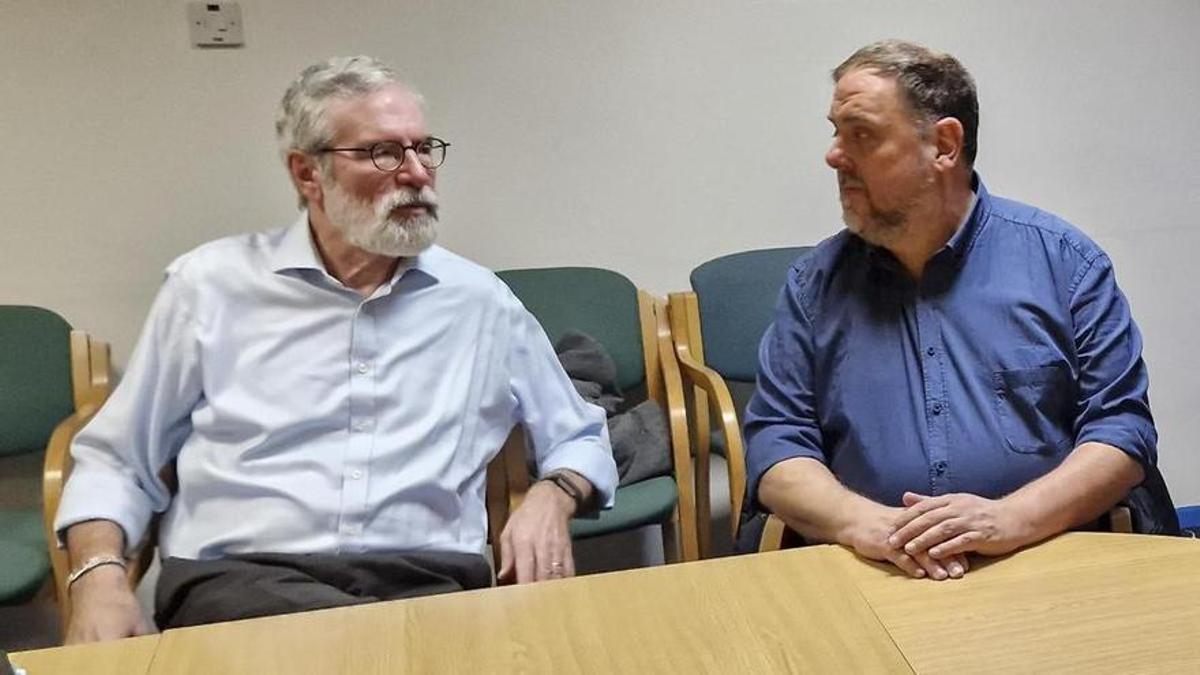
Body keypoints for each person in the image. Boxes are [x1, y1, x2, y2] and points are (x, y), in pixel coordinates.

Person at [54, 55, 618, 642]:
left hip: (428, 585)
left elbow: (578, 435)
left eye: (424, 148)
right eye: (383, 152)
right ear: (307, 173)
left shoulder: (478, 301)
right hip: (244, 587)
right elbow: (119, 460)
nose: (418, 172)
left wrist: (553, 497)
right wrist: (98, 579)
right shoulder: (211, 287)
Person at [743, 40, 1177, 581]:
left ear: (944, 145)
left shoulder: (1066, 264)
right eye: (835, 131)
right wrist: (870, 526)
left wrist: (1008, 520)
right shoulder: (815, 286)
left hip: (1045, 555)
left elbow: (1120, 432)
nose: (834, 154)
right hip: (871, 567)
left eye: (862, 134)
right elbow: (777, 444)